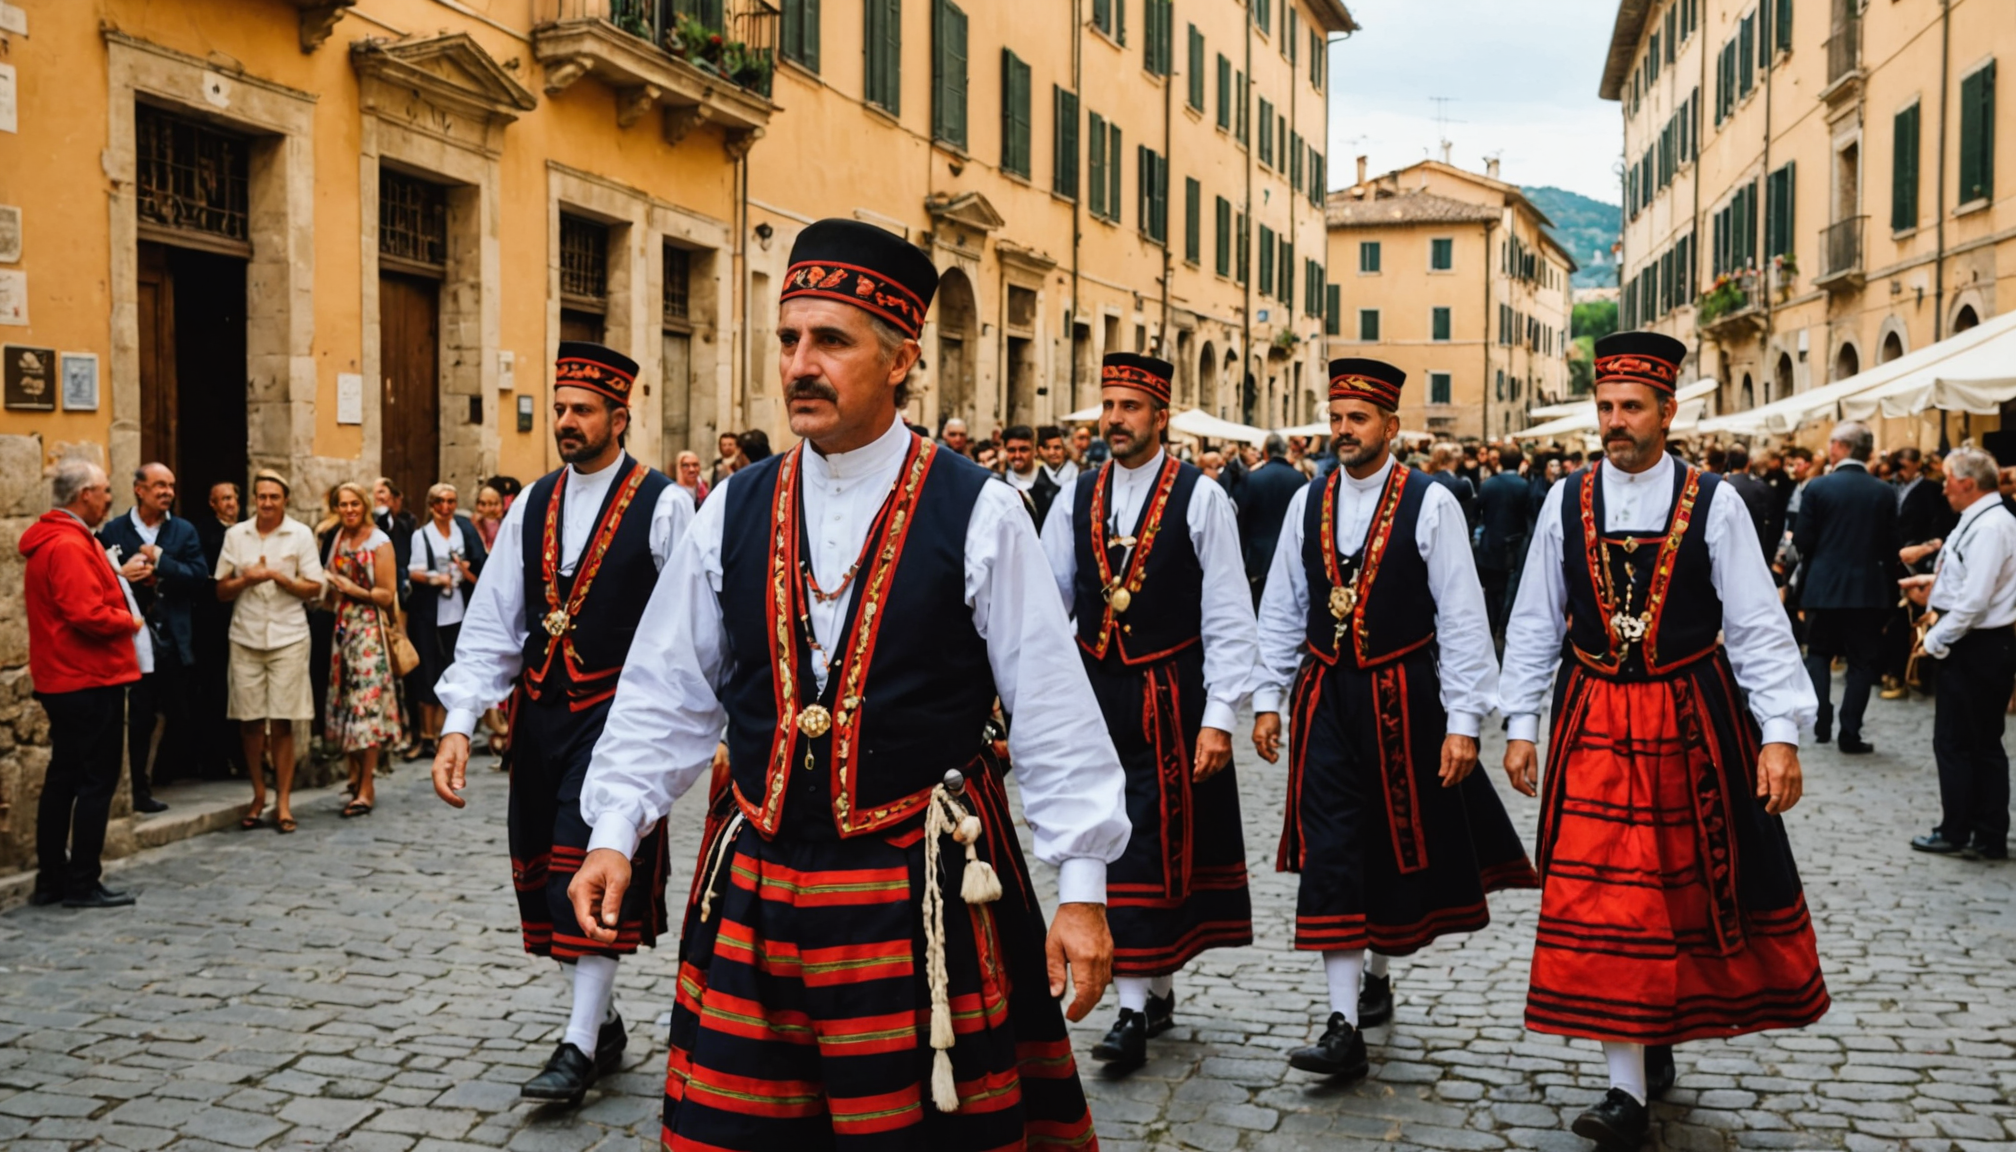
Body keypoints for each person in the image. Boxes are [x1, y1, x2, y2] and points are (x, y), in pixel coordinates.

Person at [568, 219, 1124, 1147]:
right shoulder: (732, 510)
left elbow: (1053, 708)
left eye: (831, 341)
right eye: (789, 339)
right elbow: (666, 690)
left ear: (901, 359)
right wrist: (616, 829)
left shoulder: (978, 509)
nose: (799, 364)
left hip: (917, 895)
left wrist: (1082, 886)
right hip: (758, 882)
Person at [1499, 332, 1826, 1146]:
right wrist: (1519, 723)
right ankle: (1624, 1091)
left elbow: (1756, 622)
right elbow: (1537, 618)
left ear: (1667, 412)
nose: (1615, 422)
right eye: (1605, 406)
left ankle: (1656, 1031)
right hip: (1592, 719)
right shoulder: (1563, 500)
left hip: (1690, 719)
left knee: (1678, 891)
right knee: (1605, 898)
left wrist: (1778, 733)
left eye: (1631, 407)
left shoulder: (1714, 501)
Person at [1251, 358, 1534, 1082]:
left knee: (1384, 841)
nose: (1344, 431)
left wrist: (1465, 719)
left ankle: (1376, 974)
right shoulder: (1307, 502)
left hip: (1404, 694)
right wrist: (1266, 697)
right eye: (1337, 417)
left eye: (1358, 419)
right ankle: (1343, 1024)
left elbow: (1464, 615)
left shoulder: (1429, 502)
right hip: (1324, 700)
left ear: (1391, 427)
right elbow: (1283, 605)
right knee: (1333, 848)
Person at [430, 340, 692, 1106]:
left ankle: (577, 1048)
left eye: (583, 410)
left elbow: (686, 629)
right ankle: (603, 1022)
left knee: (589, 867)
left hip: (620, 722)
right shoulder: (532, 503)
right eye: (561, 407)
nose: (567, 422)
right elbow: (494, 621)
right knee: (546, 887)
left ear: (621, 415)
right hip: (542, 719)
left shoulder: (664, 504)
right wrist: (457, 720)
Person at [1039, 353, 1258, 1071]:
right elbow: (1048, 600)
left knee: (1160, 842)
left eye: (1130, 407)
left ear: (1160, 416)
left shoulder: (1200, 496)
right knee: (1106, 833)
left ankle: (1137, 1006)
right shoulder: (1077, 492)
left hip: (1171, 692)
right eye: (1108, 405)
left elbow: (1229, 612)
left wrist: (1220, 713)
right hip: (1095, 691)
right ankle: (1145, 995)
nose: (1114, 420)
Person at [22, 460, 145, 909]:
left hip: (66, 677)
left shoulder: (56, 540)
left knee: (64, 778)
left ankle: (52, 878)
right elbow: (84, 612)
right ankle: (81, 881)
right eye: (105, 490)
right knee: (95, 780)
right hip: (88, 677)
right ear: (84, 495)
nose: (110, 498)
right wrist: (127, 620)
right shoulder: (69, 545)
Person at [1902, 448, 2016, 861]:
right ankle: (1984, 830)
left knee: (1959, 741)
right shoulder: (1984, 520)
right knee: (1978, 741)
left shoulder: (1991, 526)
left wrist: (1935, 640)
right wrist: (1935, 582)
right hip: (1978, 640)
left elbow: (1975, 601)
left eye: (1948, 479)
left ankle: (1961, 830)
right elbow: (1972, 581)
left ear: (1968, 483)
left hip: (1976, 643)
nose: (1943, 486)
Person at [216, 470, 326, 833]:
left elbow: (315, 588)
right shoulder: (236, 535)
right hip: (246, 635)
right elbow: (220, 590)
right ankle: (258, 794)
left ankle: (283, 802)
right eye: (261, 497)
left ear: (285, 500)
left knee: (282, 720)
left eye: (273, 497)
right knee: (249, 721)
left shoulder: (300, 535)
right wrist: (246, 579)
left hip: (289, 636)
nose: (266, 503)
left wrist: (281, 579)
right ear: (254, 499)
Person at [97, 463, 207, 810]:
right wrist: (127, 576)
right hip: (132, 637)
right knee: (140, 713)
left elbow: (199, 575)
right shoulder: (114, 530)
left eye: (171, 486)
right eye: (159, 485)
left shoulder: (184, 531)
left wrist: (162, 565)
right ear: (139, 490)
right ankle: (138, 791)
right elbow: (100, 578)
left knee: (177, 711)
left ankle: (168, 774)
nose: (167, 492)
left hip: (173, 636)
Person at [1791, 421, 1901, 754]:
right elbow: (1890, 545)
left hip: (1823, 586)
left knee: (1820, 655)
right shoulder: (1884, 491)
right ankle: (1849, 732)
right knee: (1861, 663)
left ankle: (1821, 719)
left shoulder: (1817, 488)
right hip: (1868, 589)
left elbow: (1803, 541)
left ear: (1840, 447)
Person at [321, 482, 404, 818]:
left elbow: (387, 593)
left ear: (364, 505)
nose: (349, 510)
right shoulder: (337, 538)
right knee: (345, 703)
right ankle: (354, 776)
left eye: (354, 504)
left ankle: (367, 784)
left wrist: (354, 589)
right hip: (343, 628)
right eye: (343, 505)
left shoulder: (379, 541)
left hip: (369, 628)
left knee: (366, 707)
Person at [408, 482, 486, 758]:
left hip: (458, 609)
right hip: (430, 610)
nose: (445, 507)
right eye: (440, 501)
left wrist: (463, 572)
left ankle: (450, 729)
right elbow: (413, 572)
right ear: (431, 505)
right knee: (428, 666)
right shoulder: (423, 535)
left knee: (456, 664)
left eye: (451, 501)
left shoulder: (461, 531)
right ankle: (427, 734)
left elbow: (476, 564)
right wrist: (435, 578)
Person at [194, 481, 244, 779]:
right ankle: (215, 759)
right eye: (223, 499)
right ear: (213, 504)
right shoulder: (204, 532)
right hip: (214, 620)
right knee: (216, 688)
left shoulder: (248, 530)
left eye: (233, 498)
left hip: (244, 616)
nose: (230, 504)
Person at [1235, 434, 1307, 608]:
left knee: (1259, 607)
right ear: (1285, 451)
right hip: (1293, 557)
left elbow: (1240, 520)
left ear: (1265, 453)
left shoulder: (1252, 479)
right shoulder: (1300, 479)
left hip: (1258, 558)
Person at [1477, 445, 1535, 642]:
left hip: (1489, 547)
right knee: (1510, 592)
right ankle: (1503, 627)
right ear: (1520, 462)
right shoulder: (1524, 486)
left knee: (1492, 593)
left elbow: (1479, 513)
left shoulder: (1489, 484)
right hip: (1515, 549)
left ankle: (1491, 628)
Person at [1000, 423, 1062, 528]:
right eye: (1012, 450)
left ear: (1035, 451)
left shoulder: (1053, 489)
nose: (1017, 455)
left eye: (1023, 450)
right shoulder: (999, 485)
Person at [1720, 447, 1777, 559]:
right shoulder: (1761, 488)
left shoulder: (1720, 483)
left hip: (1724, 543)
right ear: (1748, 463)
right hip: (1751, 545)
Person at [1039, 424, 1080, 489]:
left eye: (1057, 448)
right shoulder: (1039, 472)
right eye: (1048, 448)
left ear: (1065, 450)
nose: (1052, 452)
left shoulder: (1075, 473)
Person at [472, 484, 507, 551]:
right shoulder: (470, 525)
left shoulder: (506, 526)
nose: (487, 509)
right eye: (482, 504)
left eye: (493, 504)